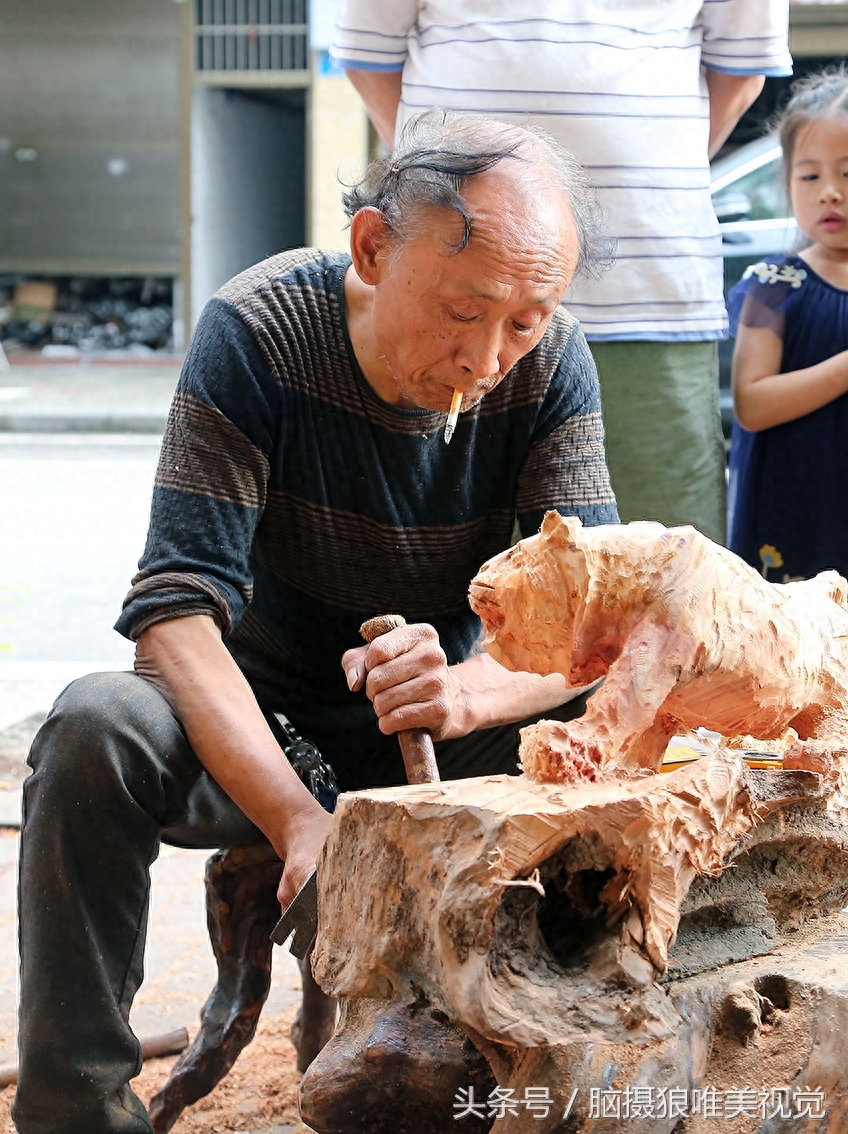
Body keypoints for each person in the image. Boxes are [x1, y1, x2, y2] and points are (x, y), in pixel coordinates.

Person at [14, 111, 618, 1134]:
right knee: (93, 728)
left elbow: (593, 618)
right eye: (462, 310)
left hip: (438, 728)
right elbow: (174, 616)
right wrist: (298, 821)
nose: (486, 356)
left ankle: (545, 1070)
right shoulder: (258, 332)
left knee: (600, 733)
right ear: (373, 249)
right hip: (259, 727)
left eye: (523, 319)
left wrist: (465, 687)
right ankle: (76, 1109)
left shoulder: (551, 362)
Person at [331, 0, 793, 544]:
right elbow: (368, 55)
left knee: (663, 572)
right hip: (450, 282)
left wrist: (566, 196)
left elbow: (740, 70)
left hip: (649, 291)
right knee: (446, 556)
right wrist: (456, 185)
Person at [727, 71, 848, 583]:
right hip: (797, 505)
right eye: (810, 175)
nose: (830, 194)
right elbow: (751, 404)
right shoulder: (775, 283)